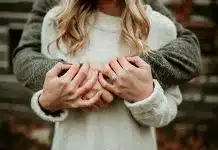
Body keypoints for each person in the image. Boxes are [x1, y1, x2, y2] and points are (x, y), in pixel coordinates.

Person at [12, 0, 201, 150]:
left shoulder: (160, 28)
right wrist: (49, 101)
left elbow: (166, 111)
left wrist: (144, 95)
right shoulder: (55, 22)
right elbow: (47, 89)